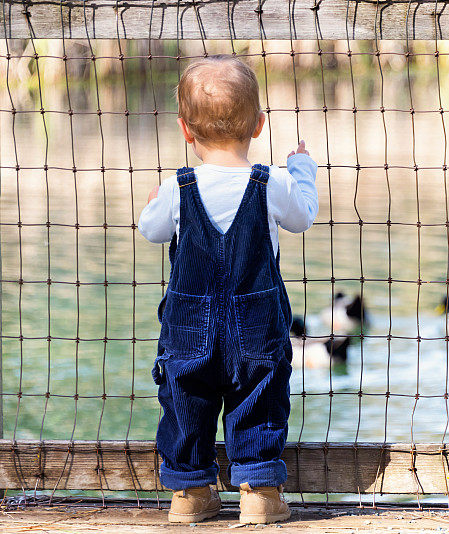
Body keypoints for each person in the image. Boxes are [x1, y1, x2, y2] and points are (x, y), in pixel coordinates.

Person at [138, 55, 318, 525]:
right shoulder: (272, 181)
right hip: (257, 321)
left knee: (185, 399)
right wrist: (302, 170)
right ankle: (259, 491)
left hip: (187, 325)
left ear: (184, 129)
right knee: (260, 393)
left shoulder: (177, 187)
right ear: (259, 125)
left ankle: (191, 494)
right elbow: (301, 218)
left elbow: (152, 232)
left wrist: (154, 203)